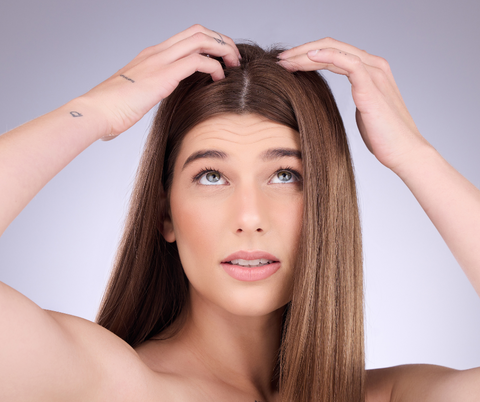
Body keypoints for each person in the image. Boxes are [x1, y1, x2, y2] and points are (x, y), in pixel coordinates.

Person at [0, 24, 479, 402]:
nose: (250, 216)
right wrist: (97, 110)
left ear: (327, 207)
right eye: (211, 176)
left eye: (286, 175)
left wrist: (414, 155)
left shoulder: (391, 396)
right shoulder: (108, 387)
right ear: (165, 214)